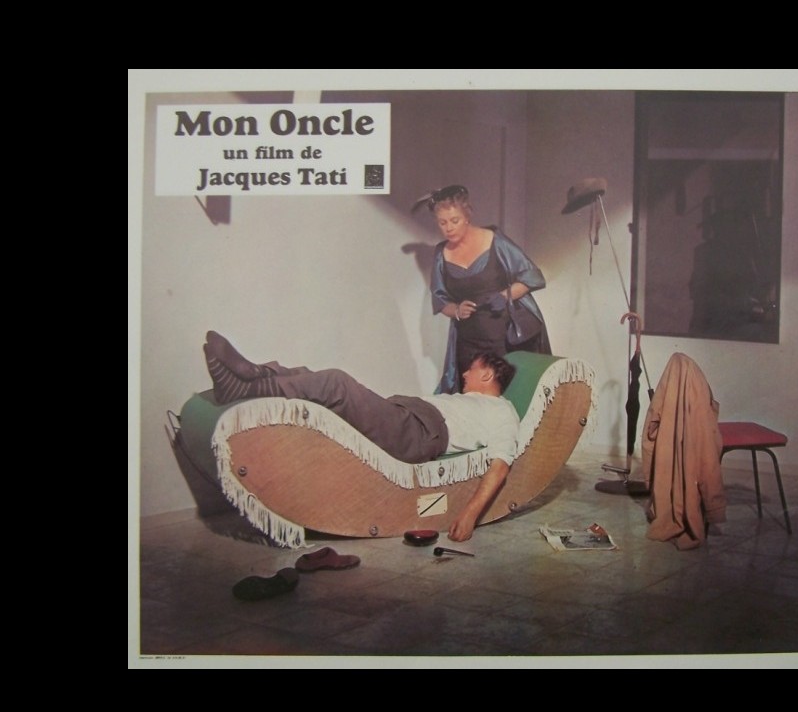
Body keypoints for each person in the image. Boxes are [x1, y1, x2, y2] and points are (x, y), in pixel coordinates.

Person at [202, 331, 519, 542]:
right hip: (406, 416)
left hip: (418, 432)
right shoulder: (467, 399)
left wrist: (469, 515)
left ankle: (246, 386)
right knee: (310, 376)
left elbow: (501, 465)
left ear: (487, 374)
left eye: (471, 369)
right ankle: (253, 374)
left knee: (335, 384)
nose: (464, 373)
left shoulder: (501, 411)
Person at [425, 184, 550, 394]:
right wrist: (456, 310)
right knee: (470, 396)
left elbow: (533, 276)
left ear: (467, 216)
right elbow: (440, 300)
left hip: (503, 336)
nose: (449, 228)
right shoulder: (441, 253)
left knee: (507, 393)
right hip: (467, 341)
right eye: (442, 223)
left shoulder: (494, 240)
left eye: (454, 220)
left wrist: (505, 295)